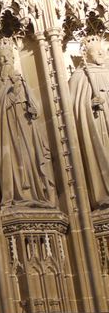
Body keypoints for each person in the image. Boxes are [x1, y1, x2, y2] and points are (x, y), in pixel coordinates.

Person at [0, 37, 55, 208]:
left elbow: (35, 107)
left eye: (9, 56)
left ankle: (38, 195)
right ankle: (16, 195)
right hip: (7, 129)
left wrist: (31, 106)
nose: (7, 60)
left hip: (26, 127)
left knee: (31, 158)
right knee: (13, 160)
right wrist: (12, 95)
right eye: (2, 57)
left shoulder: (20, 80)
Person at [69, 35, 109, 209]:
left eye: (102, 50)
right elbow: (71, 108)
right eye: (96, 51)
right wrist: (89, 103)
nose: (101, 53)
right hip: (98, 123)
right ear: (87, 54)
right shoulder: (80, 75)